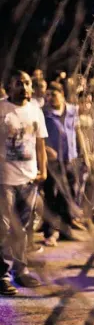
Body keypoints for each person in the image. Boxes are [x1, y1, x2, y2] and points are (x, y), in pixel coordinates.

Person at [0, 70, 48, 295]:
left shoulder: (35, 110)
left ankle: (21, 270)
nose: (24, 87)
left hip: (29, 179)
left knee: (24, 228)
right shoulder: (1, 109)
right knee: (4, 228)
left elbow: (40, 143)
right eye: (19, 83)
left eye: (27, 83)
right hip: (4, 179)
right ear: (10, 87)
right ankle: (2, 275)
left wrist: (43, 170)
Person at [41, 82, 90, 246]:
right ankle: (51, 231)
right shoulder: (43, 113)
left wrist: (85, 154)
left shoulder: (71, 111)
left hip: (70, 158)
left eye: (53, 95)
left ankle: (65, 229)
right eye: (47, 95)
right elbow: (38, 136)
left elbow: (78, 132)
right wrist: (45, 149)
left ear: (62, 95)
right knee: (51, 195)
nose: (49, 98)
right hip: (52, 162)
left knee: (68, 195)